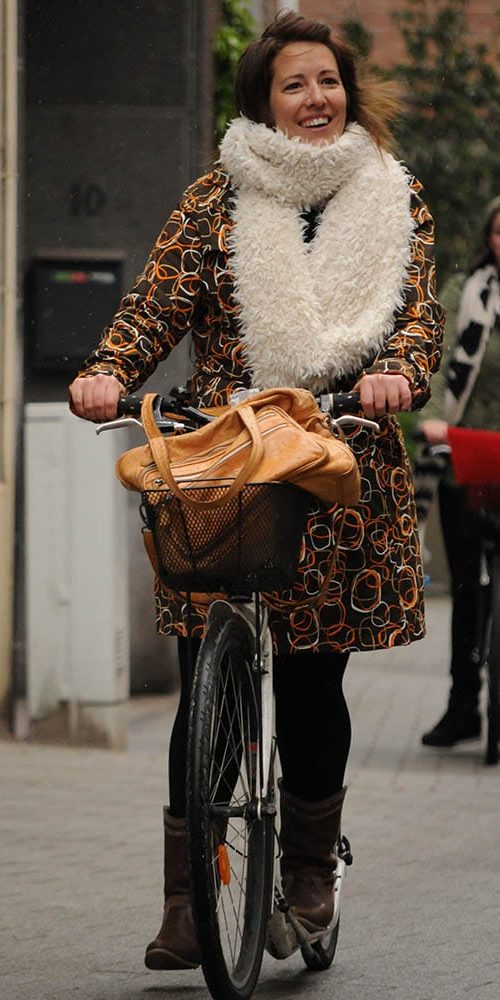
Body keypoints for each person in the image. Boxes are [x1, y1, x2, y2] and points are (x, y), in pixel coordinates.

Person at [69, 12, 443, 971]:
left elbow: (418, 319)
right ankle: (189, 898)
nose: (317, 99)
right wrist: (108, 370)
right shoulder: (216, 200)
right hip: (228, 457)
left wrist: (397, 372)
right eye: (295, 84)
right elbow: (154, 306)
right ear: (263, 103)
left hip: (337, 456)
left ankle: (310, 874)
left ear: (348, 92)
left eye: (328, 81)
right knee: (204, 675)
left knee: (315, 682)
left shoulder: (394, 196)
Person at [416, 196, 500, 748]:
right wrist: (431, 421)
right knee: (467, 589)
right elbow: (433, 356)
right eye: (499, 232)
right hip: (464, 458)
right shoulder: (465, 292)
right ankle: (462, 705)